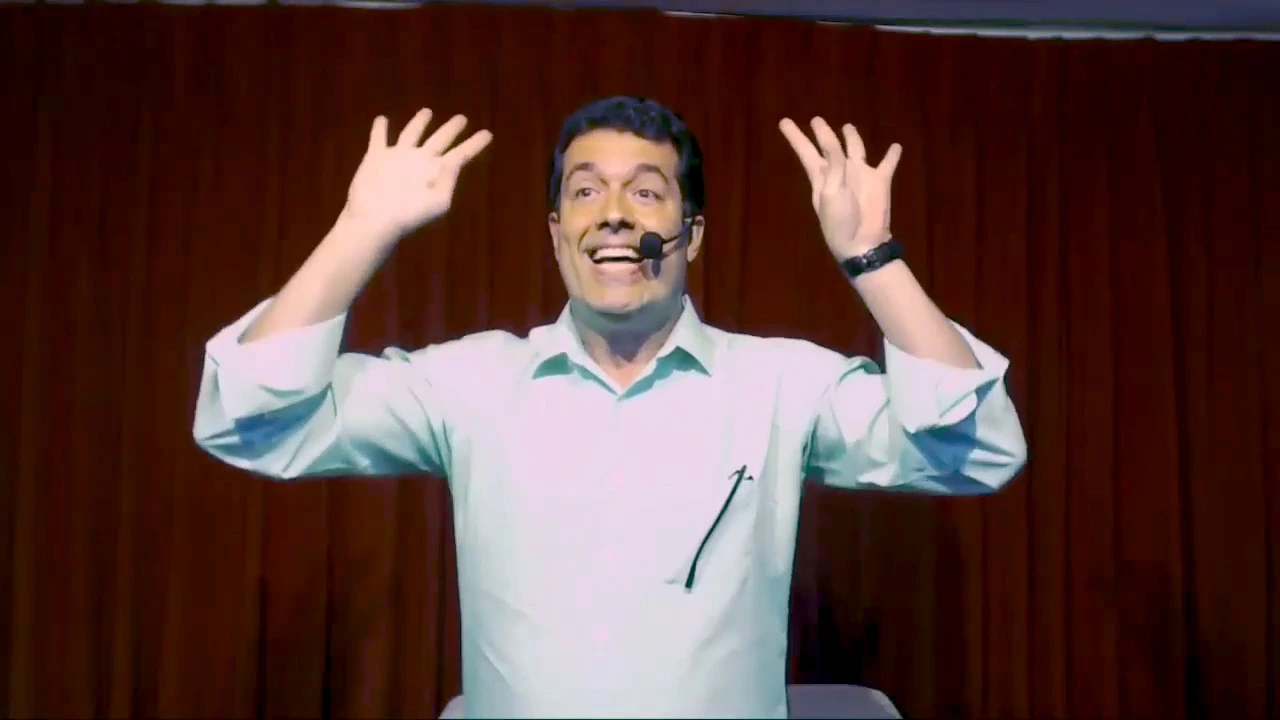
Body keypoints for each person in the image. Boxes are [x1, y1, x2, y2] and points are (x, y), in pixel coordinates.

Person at [193, 96, 1027, 718]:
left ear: (692, 234)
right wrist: (360, 230)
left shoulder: (781, 385)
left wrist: (871, 256)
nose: (616, 215)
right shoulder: (469, 385)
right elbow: (249, 420)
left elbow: (977, 449)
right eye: (586, 192)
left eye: (647, 192)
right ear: (557, 233)